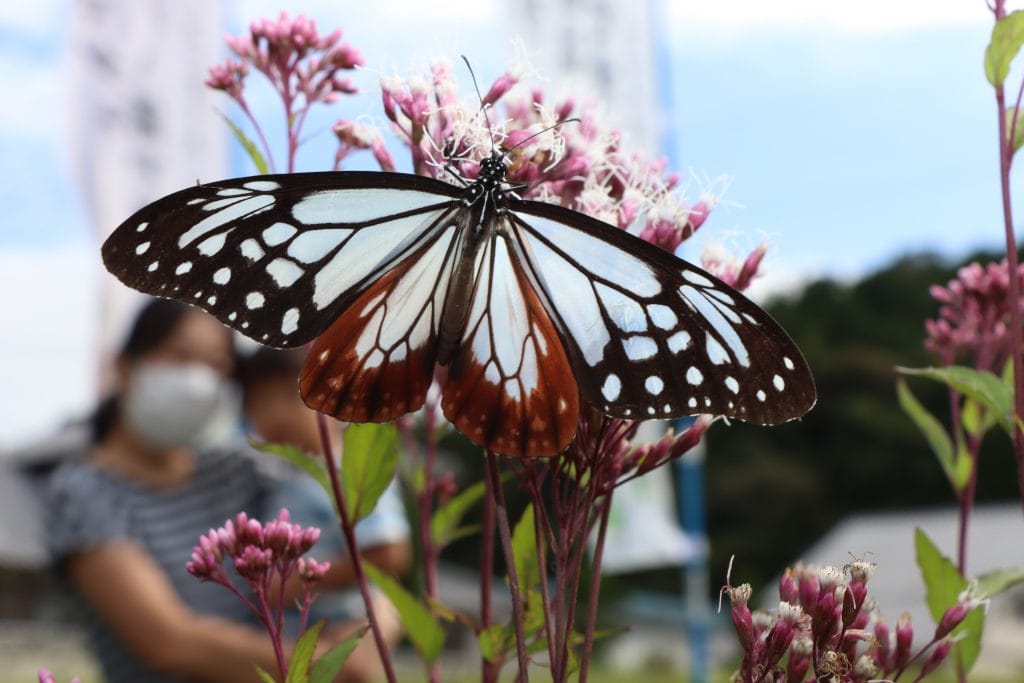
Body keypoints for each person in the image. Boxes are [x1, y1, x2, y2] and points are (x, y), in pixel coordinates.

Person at [47, 298, 394, 683]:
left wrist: (374, 624)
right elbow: (171, 643)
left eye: (216, 365)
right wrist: (331, 664)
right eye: (179, 355)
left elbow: (361, 542)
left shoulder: (239, 468)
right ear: (125, 367)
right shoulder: (84, 493)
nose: (198, 378)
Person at [236, 347, 411, 629]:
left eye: (291, 395)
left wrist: (302, 579)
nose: (276, 412)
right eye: (260, 401)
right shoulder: (282, 474)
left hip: (342, 627)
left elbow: (390, 554)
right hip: (293, 629)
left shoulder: (354, 472)